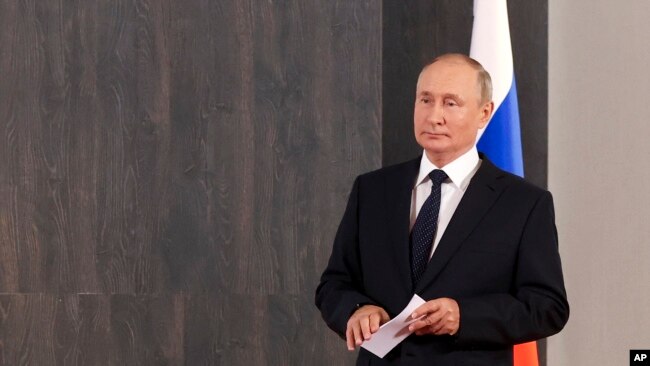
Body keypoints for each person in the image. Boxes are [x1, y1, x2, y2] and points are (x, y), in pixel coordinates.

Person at [315, 53, 569, 365]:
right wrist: (356, 309)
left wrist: (463, 316)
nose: (434, 116)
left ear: (484, 113)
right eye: (425, 100)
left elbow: (547, 307)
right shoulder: (373, 190)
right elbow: (334, 284)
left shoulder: (524, 203)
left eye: (451, 103)